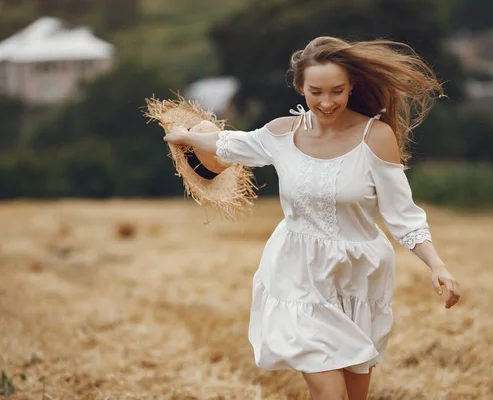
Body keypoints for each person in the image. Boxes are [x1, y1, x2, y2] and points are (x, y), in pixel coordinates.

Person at [164, 36, 461, 400]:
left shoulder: (376, 138)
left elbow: (402, 215)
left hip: (358, 278)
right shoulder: (280, 134)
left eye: (337, 91)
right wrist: (184, 135)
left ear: (352, 86)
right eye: (315, 91)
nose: (326, 102)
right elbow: (227, 144)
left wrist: (436, 264)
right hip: (297, 274)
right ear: (300, 87)